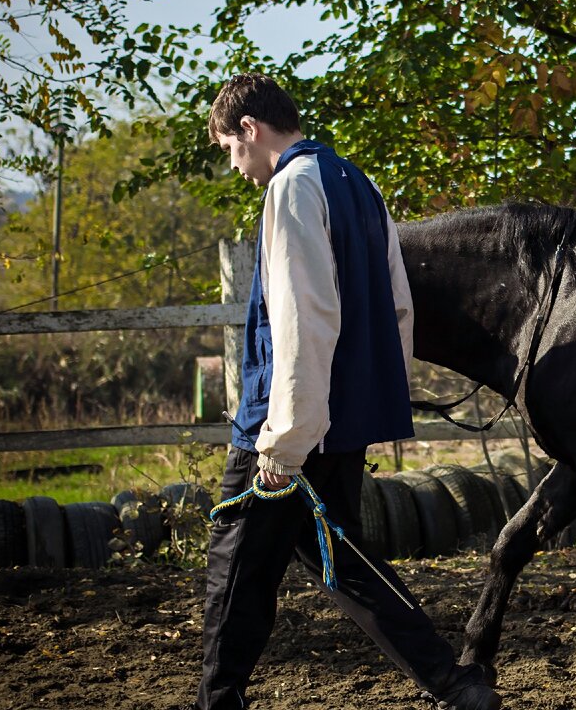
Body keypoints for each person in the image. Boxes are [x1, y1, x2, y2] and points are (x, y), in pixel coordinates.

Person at [196, 73, 500, 710]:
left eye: (231, 149)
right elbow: (397, 308)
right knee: (341, 557)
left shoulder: (292, 187)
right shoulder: (356, 182)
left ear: (250, 129)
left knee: (236, 569)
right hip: (338, 419)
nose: (236, 167)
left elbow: (303, 319)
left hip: (286, 427)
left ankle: (215, 702)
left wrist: (283, 442)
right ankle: (454, 681)